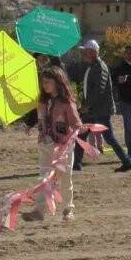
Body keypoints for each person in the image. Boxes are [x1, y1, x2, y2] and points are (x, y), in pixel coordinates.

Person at [23, 66, 83, 222]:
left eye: (48, 81)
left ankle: (67, 210)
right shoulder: (42, 102)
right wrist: (30, 125)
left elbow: (77, 123)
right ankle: (39, 211)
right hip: (45, 145)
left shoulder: (67, 103)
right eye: (43, 81)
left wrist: (77, 130)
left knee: (65, 178)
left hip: (63, 147)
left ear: (58, 82)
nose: (45, 84)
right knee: (44, 178)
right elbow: (39, 117)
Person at [73, 40, 131, 172]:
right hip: (95, 109)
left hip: (99, 110)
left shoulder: (100, 67)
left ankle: (127, 161)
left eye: (86, 51)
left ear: (93, 52)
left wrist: (86, 106)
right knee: (82, 135)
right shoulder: (94, 66)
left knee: (108, 137)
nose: (84, 54)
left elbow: (98, 90)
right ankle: (76, 164)